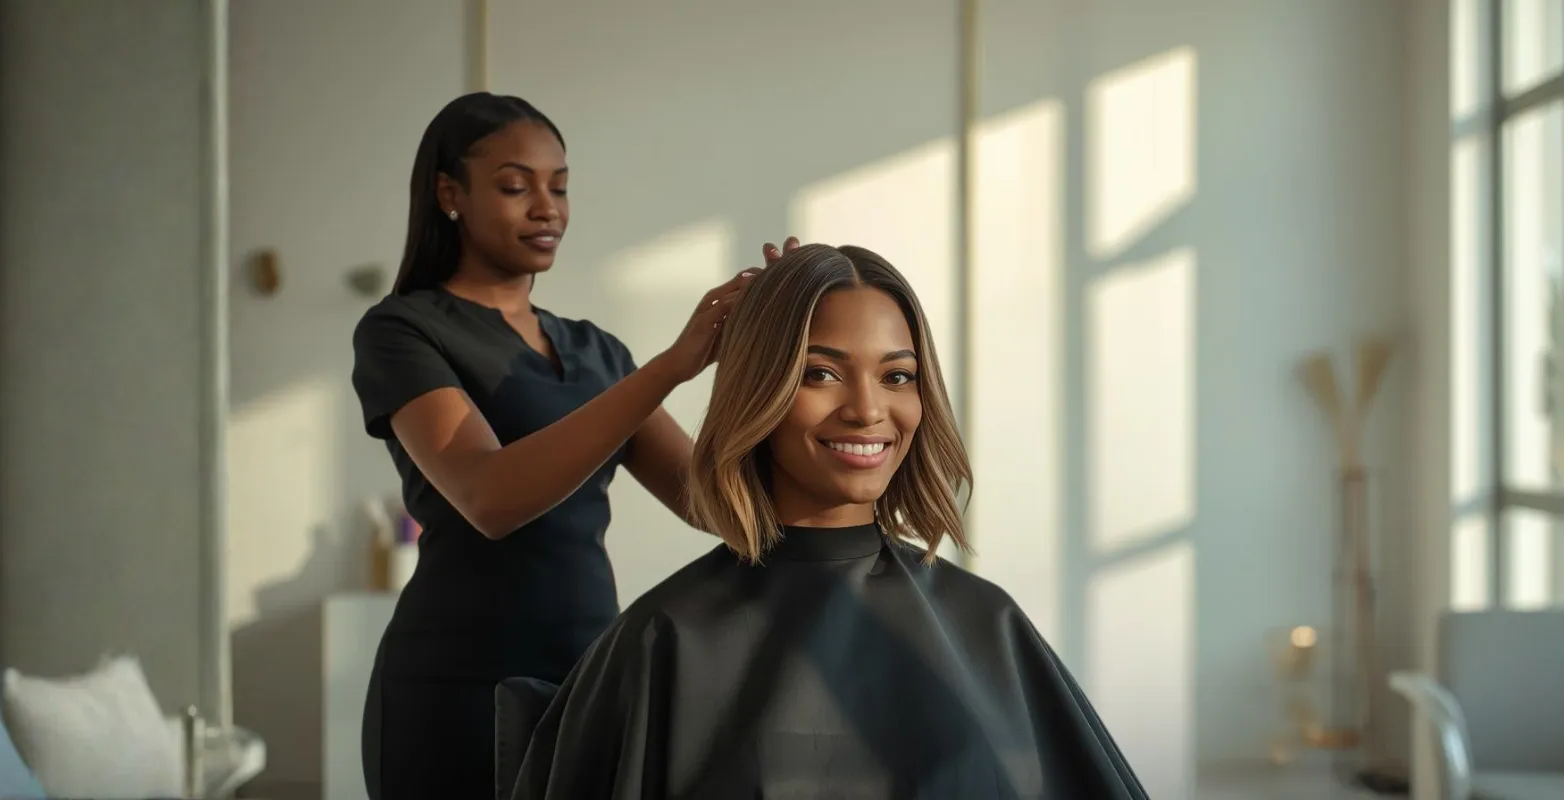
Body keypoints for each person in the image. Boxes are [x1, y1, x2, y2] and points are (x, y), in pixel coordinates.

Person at [507, 244, 1148, 799]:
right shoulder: (663, 639)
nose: (868, 409)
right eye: (821, 373)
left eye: (897, 375)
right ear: (762, 387)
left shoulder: (989, 626)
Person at [349, 91, 796, 799]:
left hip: (590, 678)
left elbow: (711, 503)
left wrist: (780, 352)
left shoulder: (596, 353)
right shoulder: (402, 332)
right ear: (448, 193)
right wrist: (670, 367)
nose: (546, 208)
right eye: (514, 186)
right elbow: (488, 496)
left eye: (558, 187)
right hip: (451, 691)